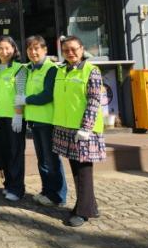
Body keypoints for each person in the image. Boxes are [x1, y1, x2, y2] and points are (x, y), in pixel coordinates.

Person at [53, 35, 106, 227]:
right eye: (66, 50)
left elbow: (94, 100)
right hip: (66, 128)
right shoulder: (62, 70)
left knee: (83, 171)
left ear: (82, 49)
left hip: (84, 130)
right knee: (76, 169)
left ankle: (83, 212)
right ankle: (90, 206)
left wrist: (86, 127)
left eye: (74, 49)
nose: (70, 53)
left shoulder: (91, 71)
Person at [23, 35, 67, 207]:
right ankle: (47, 191)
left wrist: (26, 100)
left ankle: (58, 196)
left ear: (45, 50)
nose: (33, 52)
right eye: (30, 49)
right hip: (34, 120)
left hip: (47, 121)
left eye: (36, 48)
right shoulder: (30, 69)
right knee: (42, 160)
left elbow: (47, 95)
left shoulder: (51, 69)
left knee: (51, 160)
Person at [0, 35, 27, 202]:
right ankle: (8, 184)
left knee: (15, 153)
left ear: (13, 49)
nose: (4, 52)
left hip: (14, 118)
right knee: (4, 152)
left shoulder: (20, 69)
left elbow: (20, 93)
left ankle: (17, 188)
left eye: (7, 48)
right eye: (0, 48)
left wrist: (18, 115)